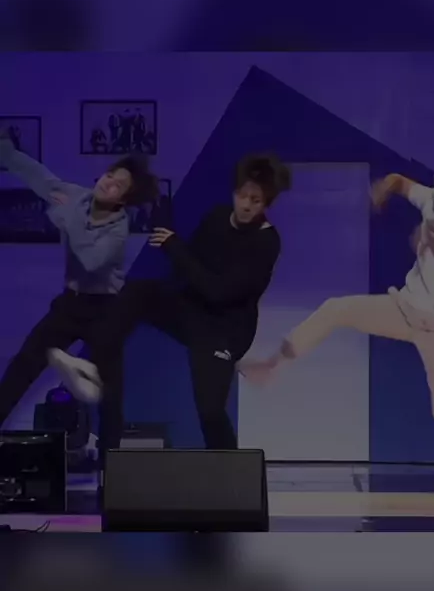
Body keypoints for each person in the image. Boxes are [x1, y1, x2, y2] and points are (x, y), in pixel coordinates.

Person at [239, 150, 434, 511]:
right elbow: (400, 181)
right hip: (404, 308)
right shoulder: (433, 199)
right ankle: (273, 366)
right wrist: (384, 188)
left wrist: (431, 230)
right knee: (336, 308)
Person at [49, 154, 291, 451]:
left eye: (256, 200)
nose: (246, 205)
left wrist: (173, 246)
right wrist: (169, 241)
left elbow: (219, 291)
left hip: (224, 331)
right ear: (234, 192)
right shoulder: (217, 216)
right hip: (191, 309)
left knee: (210, 411)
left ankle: (232, 473)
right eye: (242, 196)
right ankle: (92, 371)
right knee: (137, 293)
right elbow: (189, 266)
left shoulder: (267, 242)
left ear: (266, 204)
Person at [0, 134, 159, 456]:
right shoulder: (75, 197)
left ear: (123, 200)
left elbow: (90, 261)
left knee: (110, 390)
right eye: (110, 175)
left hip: (106, 311)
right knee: (23, 364)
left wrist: (66, 219)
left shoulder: (118, 230)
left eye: (118, 185)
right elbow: (38, 176)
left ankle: (111, 465)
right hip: (70, 303)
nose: (108, 183)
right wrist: (6, 150)